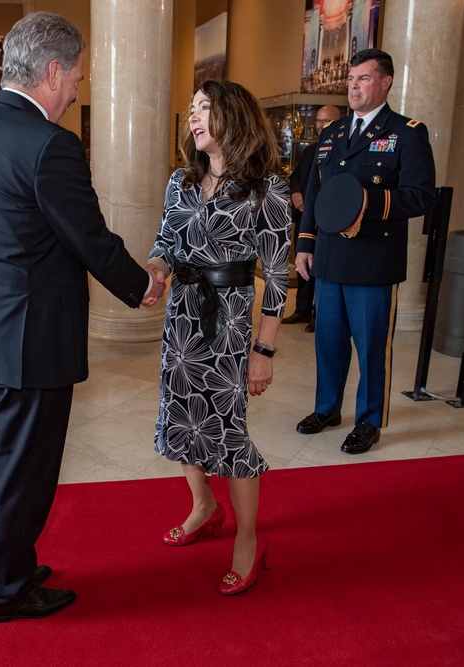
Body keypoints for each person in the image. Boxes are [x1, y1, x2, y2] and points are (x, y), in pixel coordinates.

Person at [0, 12, 165, 623]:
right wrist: (141, 284)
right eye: (75, 77)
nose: (76, 89)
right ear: (51, 70)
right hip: (30, 343)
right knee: (26, 469)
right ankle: (6, 590)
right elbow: (90, 240)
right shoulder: (51, 144)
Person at [146, 79, 291, 596]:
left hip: (228, 320)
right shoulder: (180, 181)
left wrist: (264, 349)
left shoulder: (266, 187)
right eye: (191, 109)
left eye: (204, 107)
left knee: (227, 430)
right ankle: (204, 506)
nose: (194, 116)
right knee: (183, 416)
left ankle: (249, 540)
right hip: (181, 317)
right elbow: (165, 240)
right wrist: (156, 272)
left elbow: (277, 275)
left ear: (233, 115)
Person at [294, 49, 436, 454]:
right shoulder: (332, 135)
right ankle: (327, 408)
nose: (354, 86)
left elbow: (421, 197)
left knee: (372, 346)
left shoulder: (407, 133)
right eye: (351, 79)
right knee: (329, 341)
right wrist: (306, 244)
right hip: (331, 260)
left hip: (374, 260)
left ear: (385, 82)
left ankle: (370, 420)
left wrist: (365, 204)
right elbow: (318, 194)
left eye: (363, 79)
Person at [281, 105, 341, 332]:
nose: (320, 126)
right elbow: (296, 175)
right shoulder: (309, 151)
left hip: (326, 221)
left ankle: (319, 313)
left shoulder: (340, 152)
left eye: (326, 121)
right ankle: (302, 309)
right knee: (302, 263)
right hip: (304, 217)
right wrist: (295, 194)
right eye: (318, 121)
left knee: (320, 267)